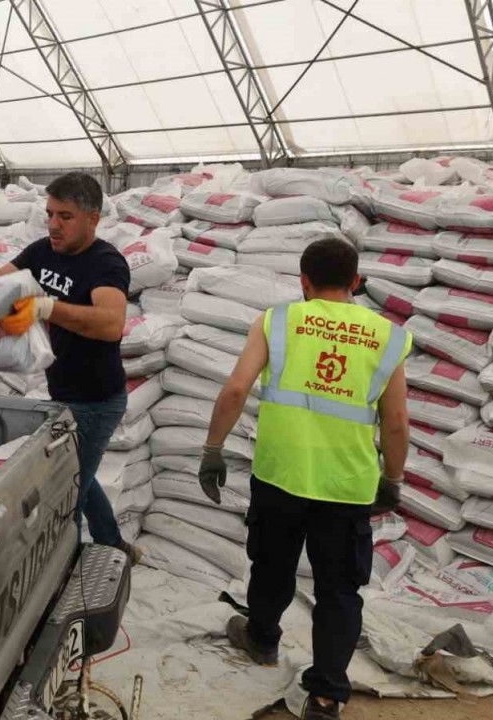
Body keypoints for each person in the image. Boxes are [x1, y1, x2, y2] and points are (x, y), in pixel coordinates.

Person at [200, 238, 411, 720]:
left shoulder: (278, 321)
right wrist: (392, 479)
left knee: (271, 563)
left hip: (280, 475)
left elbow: (235, 389)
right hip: (346, 484)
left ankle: (262, 638)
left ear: (304, 281)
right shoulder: (387, 335)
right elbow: (395, 422)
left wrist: (213, 450)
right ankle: (325, 696)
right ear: (356, 282)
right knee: (339, 588)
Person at [0, 172, 133, 555]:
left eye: (65, 216)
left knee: (64, 494)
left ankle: (63, 568)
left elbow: (111, 324)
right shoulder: (41, 252)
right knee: (79, 476)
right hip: (62, 393)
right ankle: (115, 543)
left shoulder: (106, 263)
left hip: (98, 402)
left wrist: (47, 307)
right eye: (49, 213)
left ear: (93, 218)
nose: (53, 224)